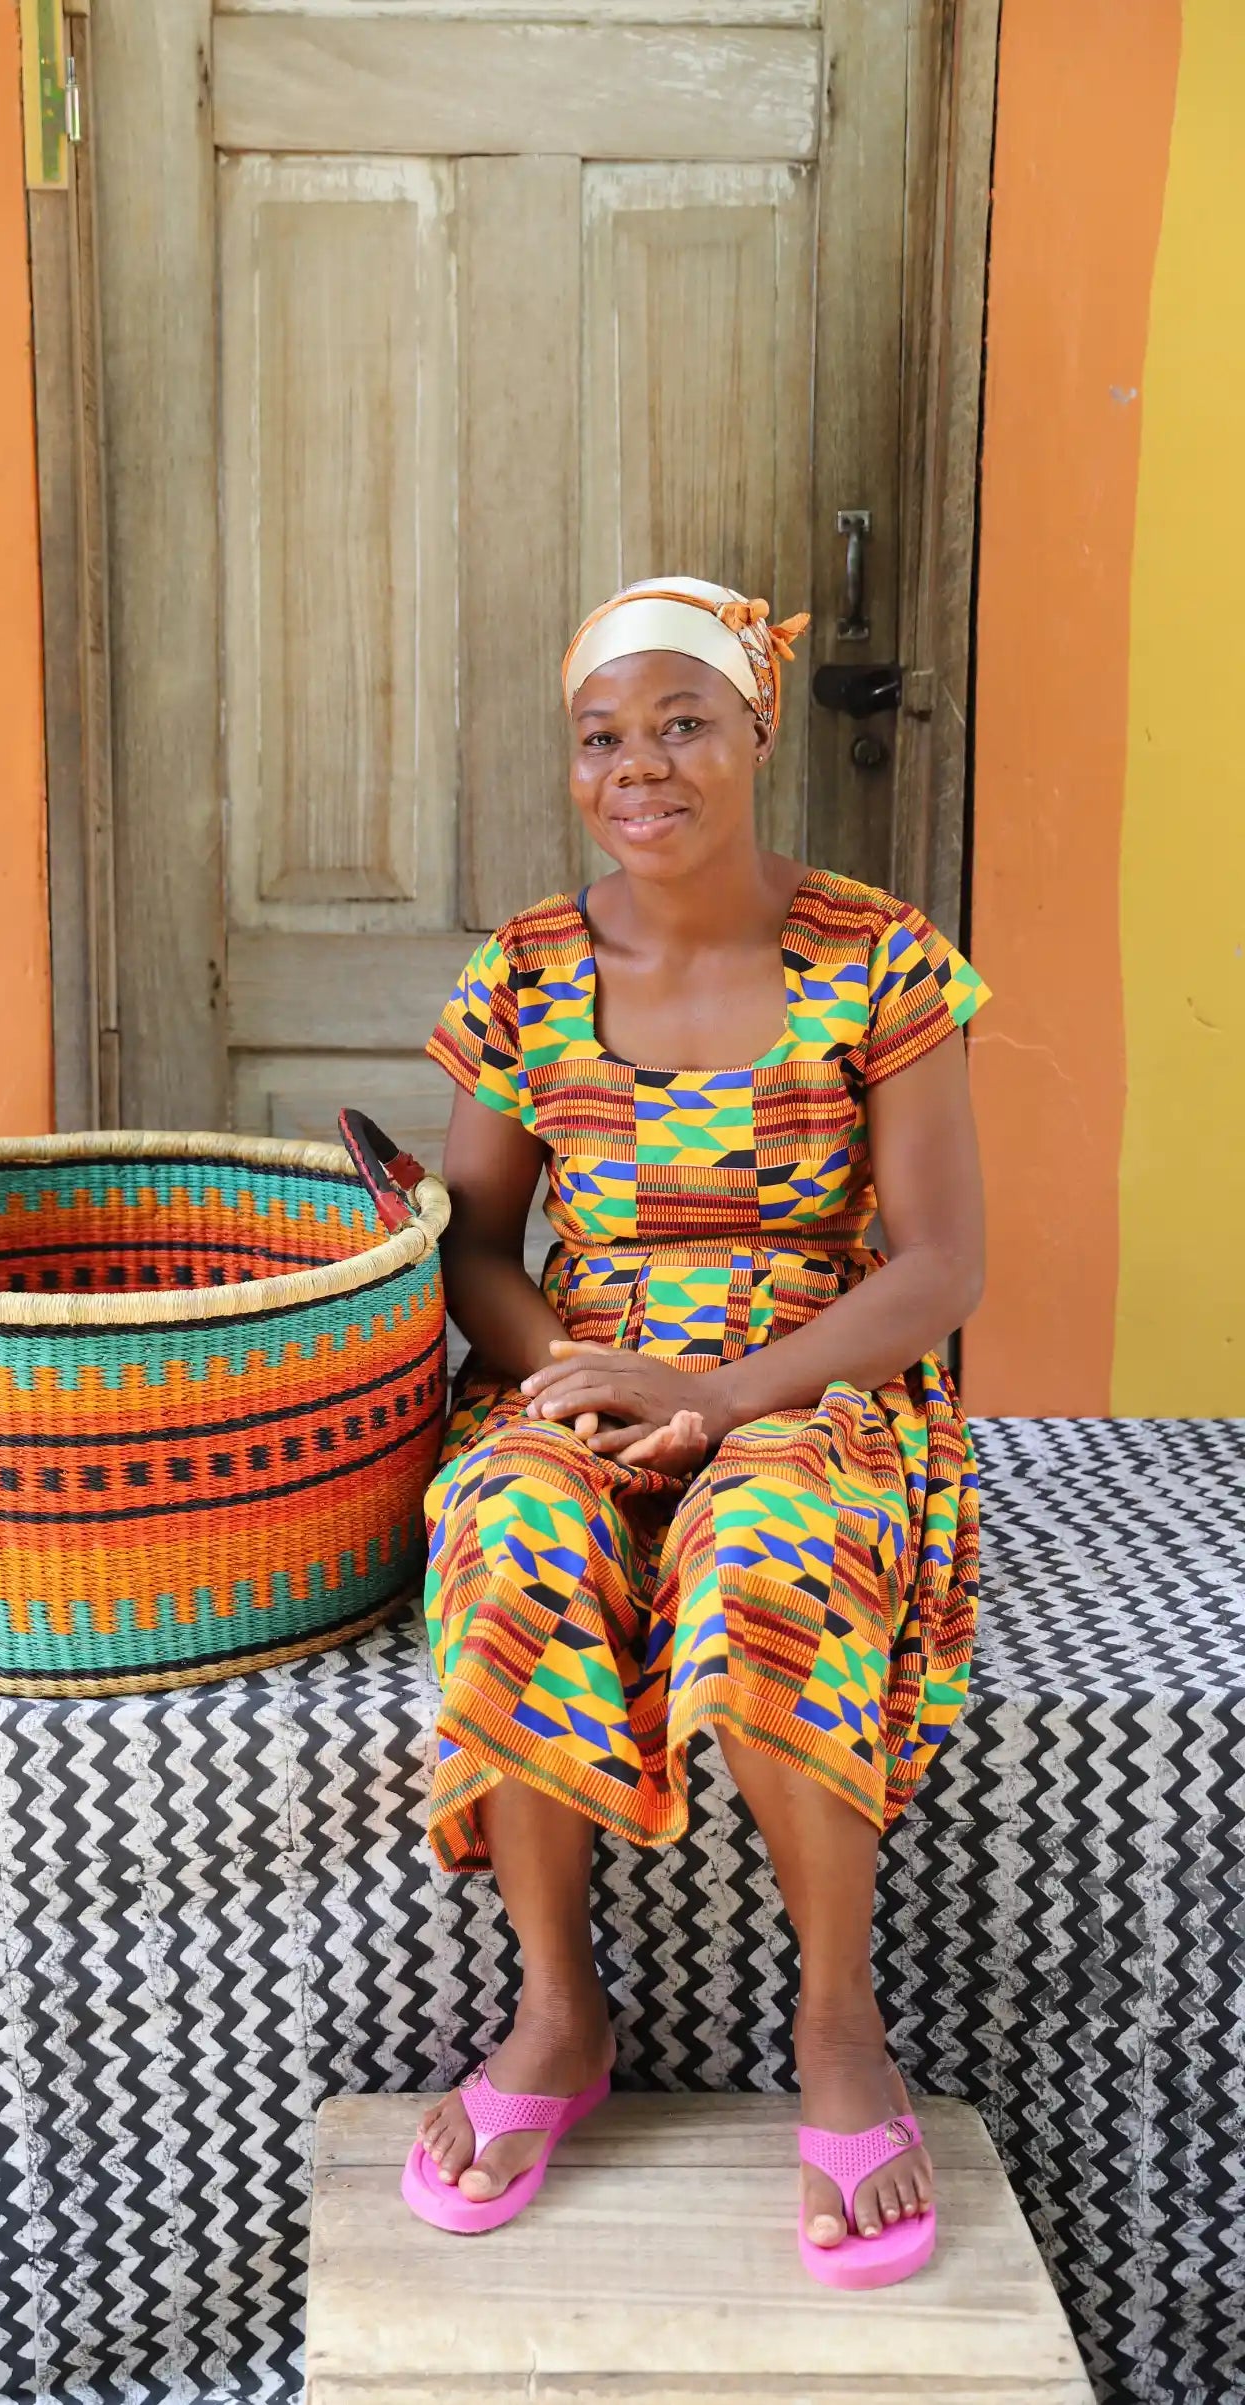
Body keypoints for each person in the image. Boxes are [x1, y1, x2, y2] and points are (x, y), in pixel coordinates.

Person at [400, 577, 988, 2287]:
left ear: (758, 729)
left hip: (816, 1378)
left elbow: (942, 1264)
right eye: (602, 737)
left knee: (766, 1549)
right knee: (511, 1533)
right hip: (584, 1363)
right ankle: (559, 2013)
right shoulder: (525, 971)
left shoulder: (882, 959)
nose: (639, 766)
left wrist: (723, 1399)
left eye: (681, 724)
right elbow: (471, 1244)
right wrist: (578, 1378)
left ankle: (838, 2021)